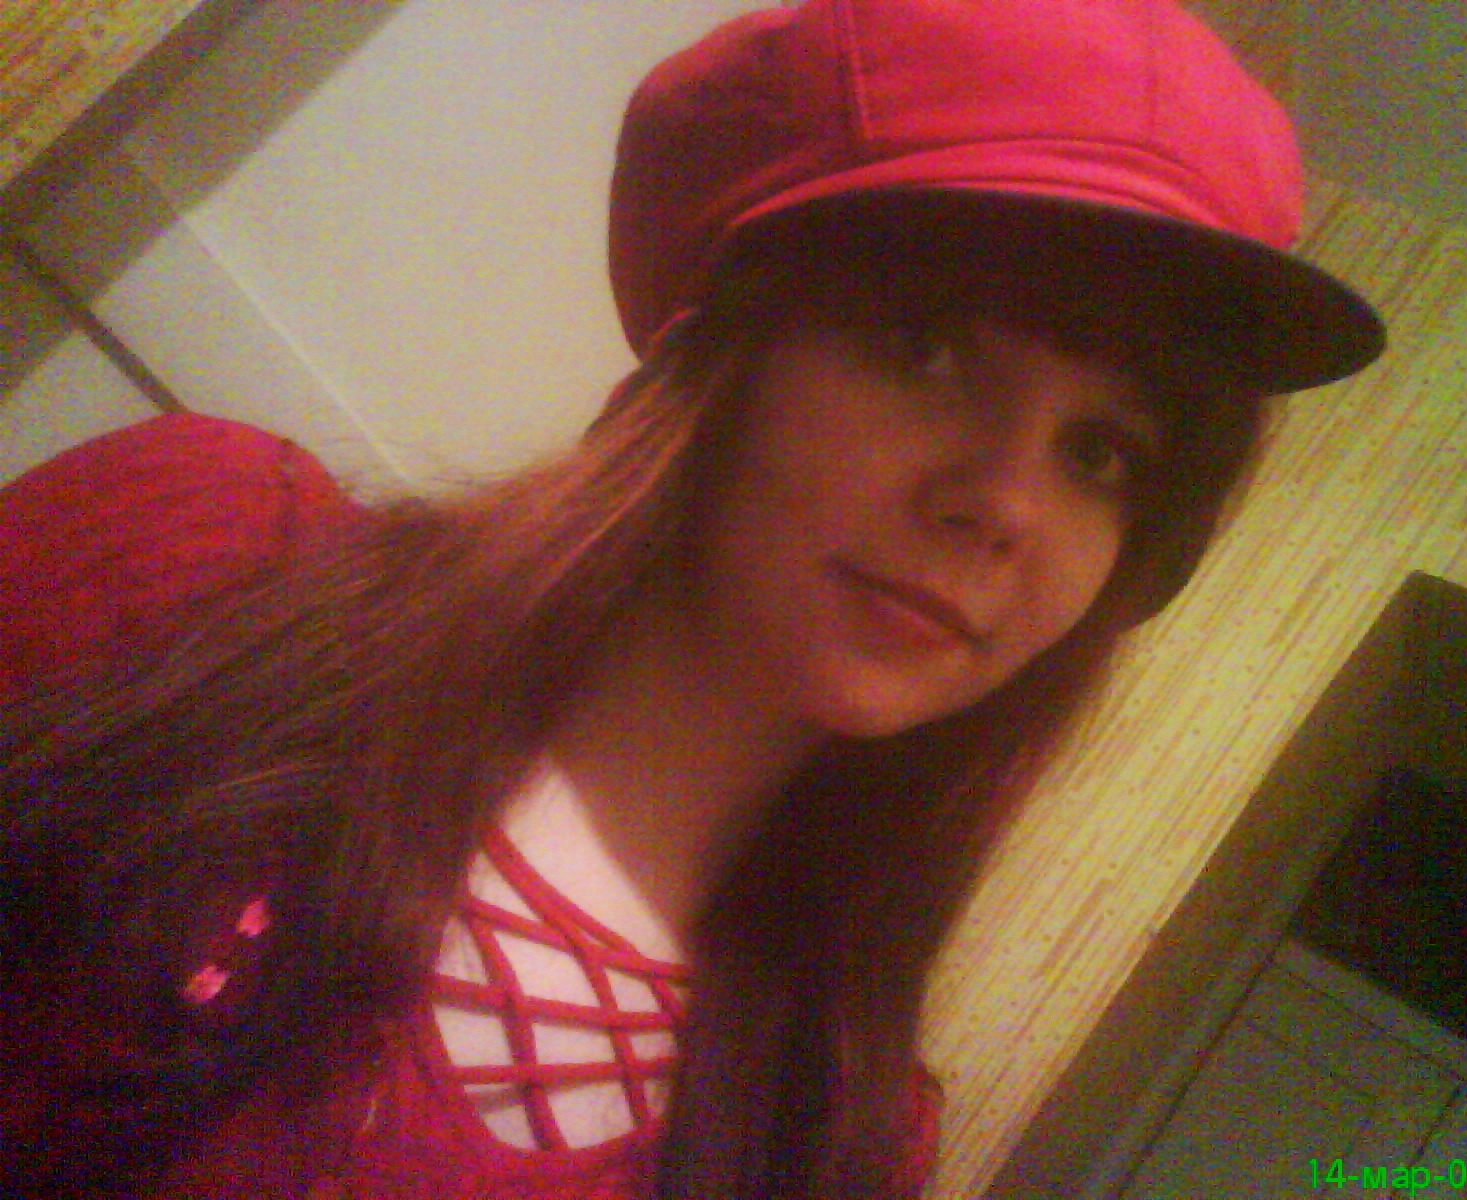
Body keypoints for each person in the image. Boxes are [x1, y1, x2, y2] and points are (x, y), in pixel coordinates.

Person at [0, 0, 1383, 1196]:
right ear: (721, 357)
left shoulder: (839, 1136)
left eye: (1103, 454)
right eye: (929, 349)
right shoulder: (207, 556)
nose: (1007, 503)